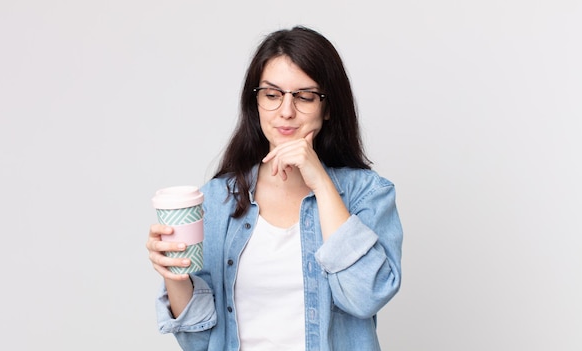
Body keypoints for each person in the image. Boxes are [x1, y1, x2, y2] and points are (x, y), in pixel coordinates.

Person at [146, 25, 403, 351]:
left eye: (305, 96)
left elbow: (366, 296)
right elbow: (199, 341)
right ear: (255, 103)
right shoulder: (217, 199)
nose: (286, 111)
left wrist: (321, 183)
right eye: (271, 95)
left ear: (328, 108)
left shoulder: (367, 194)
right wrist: (174, 275)